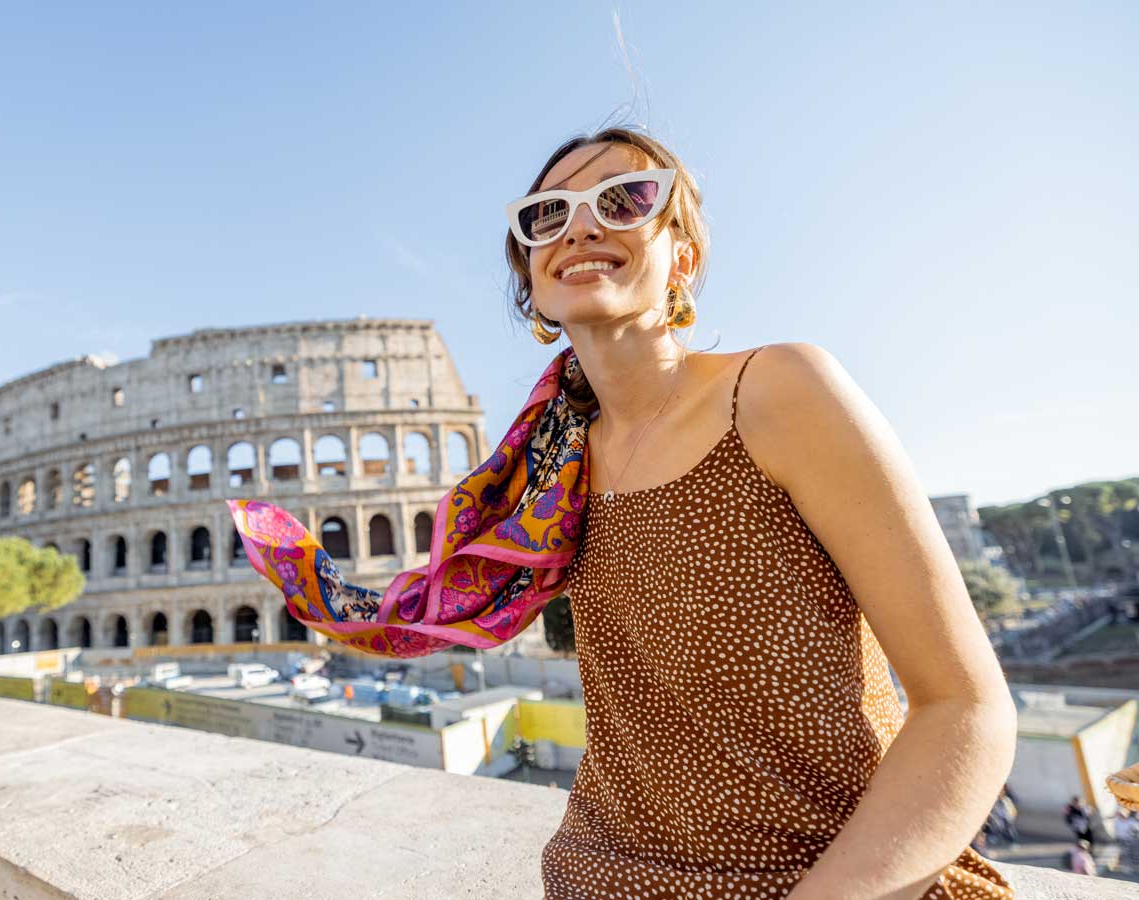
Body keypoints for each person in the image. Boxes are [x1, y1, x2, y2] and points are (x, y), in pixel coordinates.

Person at [228, 125, 1016, 898]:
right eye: (547, 214)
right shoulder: (551, 466)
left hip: (833, 877)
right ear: (531, 275)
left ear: (684, 256)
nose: (580, 226)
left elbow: (967, 708)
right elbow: (439, 599)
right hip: (602, 875)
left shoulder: (778, 391)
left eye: (625, 197)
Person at [1115, 807, 1139, 874]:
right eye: (1121, 814)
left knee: (1131, 854)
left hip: (1129, 840)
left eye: (1123, 815)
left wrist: (1133, 832)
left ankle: (1133, 867)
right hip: (1120, 840)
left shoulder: (1130, 821)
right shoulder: (1117, 821)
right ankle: (1126, 867)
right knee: (1124, 854)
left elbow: (1136, 828)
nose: (1122, 816)